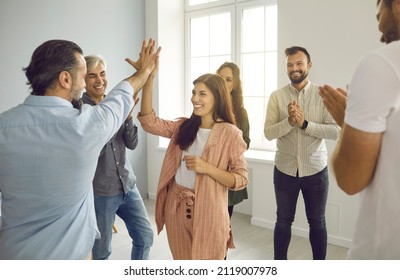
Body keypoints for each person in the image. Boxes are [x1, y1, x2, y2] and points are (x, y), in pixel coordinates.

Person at [0, 38, 160, 259]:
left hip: (14, 255)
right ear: (65, 79)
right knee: (103, 251)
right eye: (85, 76)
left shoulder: (4, 126)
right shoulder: (87, 124)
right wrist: (146, 70)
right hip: (71, 256)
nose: (87, 83)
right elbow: (124, 92)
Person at [137, 62, 249, 259]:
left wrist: (207, 168)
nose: (194, 98)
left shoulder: (231, 134)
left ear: (217, 97)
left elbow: (240, 180)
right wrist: (149, 78)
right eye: (193, 92)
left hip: (210, 211)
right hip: (176, 208)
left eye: (202, 94)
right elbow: (149, 122)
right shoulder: (183, 127)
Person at [318, 0, 400, 259]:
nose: (380, 33)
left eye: (380, 17)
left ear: (395, 5)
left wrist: (346, 124)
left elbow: (350, 181)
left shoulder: (381, 63)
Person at [264, 46, 340, 260]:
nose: (294, 68)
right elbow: (269, 133)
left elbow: (336, 131)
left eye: (299, 63)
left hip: (315, 171)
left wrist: (305, 124)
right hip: (284, 171)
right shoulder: (277, 97)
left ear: (309, 65)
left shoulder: (323, 96)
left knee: (317, 222)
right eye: (290, 64)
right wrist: (289, 122)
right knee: (282, 221)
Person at [81, 55, 154, 260]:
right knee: (102, 251)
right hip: (102, 193)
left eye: (102, 74)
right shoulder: (81, 110)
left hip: (127, 185)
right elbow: (94, 149)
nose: (99, 80)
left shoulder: (117, 104)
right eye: (92, 76)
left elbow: (132, 143)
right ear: (83, 81)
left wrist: (128, 116)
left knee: (145, 237)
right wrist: (114, 117)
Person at [217, 62, 250, 218]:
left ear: (235, 84)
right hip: (207, 171)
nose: (224, 83)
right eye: (220, 78)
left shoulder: (241, 113)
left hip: (229, 173)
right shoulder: (205, 106)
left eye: (228, 79)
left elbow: (246, 141)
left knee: (224, 223)